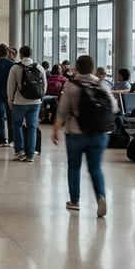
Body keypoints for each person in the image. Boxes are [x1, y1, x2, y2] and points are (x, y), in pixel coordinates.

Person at [51, 55, 115, 217]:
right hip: (99, 134)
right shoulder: (101, 85)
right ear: (93, 69)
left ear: (76, 68)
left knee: (74, 167)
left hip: (75, 133)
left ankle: (74, 201)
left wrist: (56, 129)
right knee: (95, 168)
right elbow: (113, 108)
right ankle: (100, 196)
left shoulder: (71, 85)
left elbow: (62, 110)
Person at [6, 46, 45, 162]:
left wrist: (10, 99)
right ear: (31, 54)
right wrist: (39, 98)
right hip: (35, 102)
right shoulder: (39, 67)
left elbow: (10, 86)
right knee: (32, 127)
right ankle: (30, 155)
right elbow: (44, 86)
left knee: (17, 125)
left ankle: (19, 151)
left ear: (21, 55)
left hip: (19, 102)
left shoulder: (15, 68)